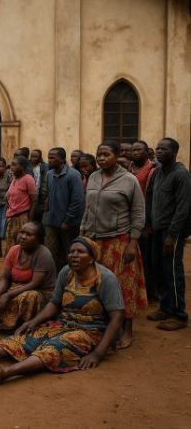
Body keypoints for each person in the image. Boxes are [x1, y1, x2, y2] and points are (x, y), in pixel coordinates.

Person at [0, 237, 124, 385]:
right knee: (28, 337)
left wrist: (98, 354)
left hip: (91, 332)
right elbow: (54, 303)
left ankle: (7, 372)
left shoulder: (105, 278)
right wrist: (33, 321)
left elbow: (117, 318)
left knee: (53, 347)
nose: (74, 255)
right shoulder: (67, 272)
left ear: (92, 258)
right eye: (71, 252)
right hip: (63, 324)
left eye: (80, 252)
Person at [81, 140, 146, 349]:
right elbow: (88, 209)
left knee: (122, 286)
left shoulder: (129, 180)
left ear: (117, 156)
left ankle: (127, 330)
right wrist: (82, 236)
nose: (101, 158)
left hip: (119, 241)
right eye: (99, 154)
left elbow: (138, 213)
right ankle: (106, 326)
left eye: (106, 154)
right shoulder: (93, 177)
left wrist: (132, 243)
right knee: (97, 284)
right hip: (94, 241)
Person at [146, 138, 191, 331]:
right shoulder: (157, 172)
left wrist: (172, 235)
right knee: (159, 271)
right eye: (157, 148)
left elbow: (183, 208)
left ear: (174, 152)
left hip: (171, 232)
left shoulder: (181, 174)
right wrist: (148, 222)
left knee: (172, 272)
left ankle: (179, 315)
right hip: (157, 230)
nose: (158, 151)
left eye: (163, 149)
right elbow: (149, 197)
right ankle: (165, 308)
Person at [0, 222, 57, 330]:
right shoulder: (14, 250)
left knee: (29, 297)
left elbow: (35, 284)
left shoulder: (43, 254)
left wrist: (8, 295)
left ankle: (23, 325)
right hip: (16, 287)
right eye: (22, 232)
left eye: (28, 234)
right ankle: (5, 324)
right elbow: (5, 278)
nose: (23, 236)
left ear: (38, 239)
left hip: (41, 292)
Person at [43, 147, 84, 271]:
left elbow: (77, 201)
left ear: (62, 159)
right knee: (50, 252)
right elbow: (48, 195)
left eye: (52, 158)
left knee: (70, 252)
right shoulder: (49, 174)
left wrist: (68, 221)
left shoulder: (73, 175)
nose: (49, 160)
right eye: (48, 157)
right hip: (51, 221)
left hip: (68, 224)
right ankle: (54, 277)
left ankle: (71, 276)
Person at [130, 140, 157, 301]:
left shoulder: (153, 170)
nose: (135, 152)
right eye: (133, 150)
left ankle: (149, 293)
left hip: (145, 220)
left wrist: (147, 224)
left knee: (147, 259)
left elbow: (152, 199)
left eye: (139, 150)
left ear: (147, 152)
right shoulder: (128, 168)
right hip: (129, 220)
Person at [4, 156, 37, 253]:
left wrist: (30, 219)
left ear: (22, 167)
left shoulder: (28, 179)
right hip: (11, 216)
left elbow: (34, 200)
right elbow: (8, 196)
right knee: (10, 245)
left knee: (21, 245)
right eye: (11, 165)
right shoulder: (14, 180)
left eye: (14, 165)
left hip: (22, 217)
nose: (11, 167)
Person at [30, 149, 49, 221]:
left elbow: (44, 182)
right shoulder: (28, 167)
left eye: (35, 156)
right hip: (31, 196)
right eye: (32, 156)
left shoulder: (45, 167)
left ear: (40, 157)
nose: (33, 159)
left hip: (41, 197)